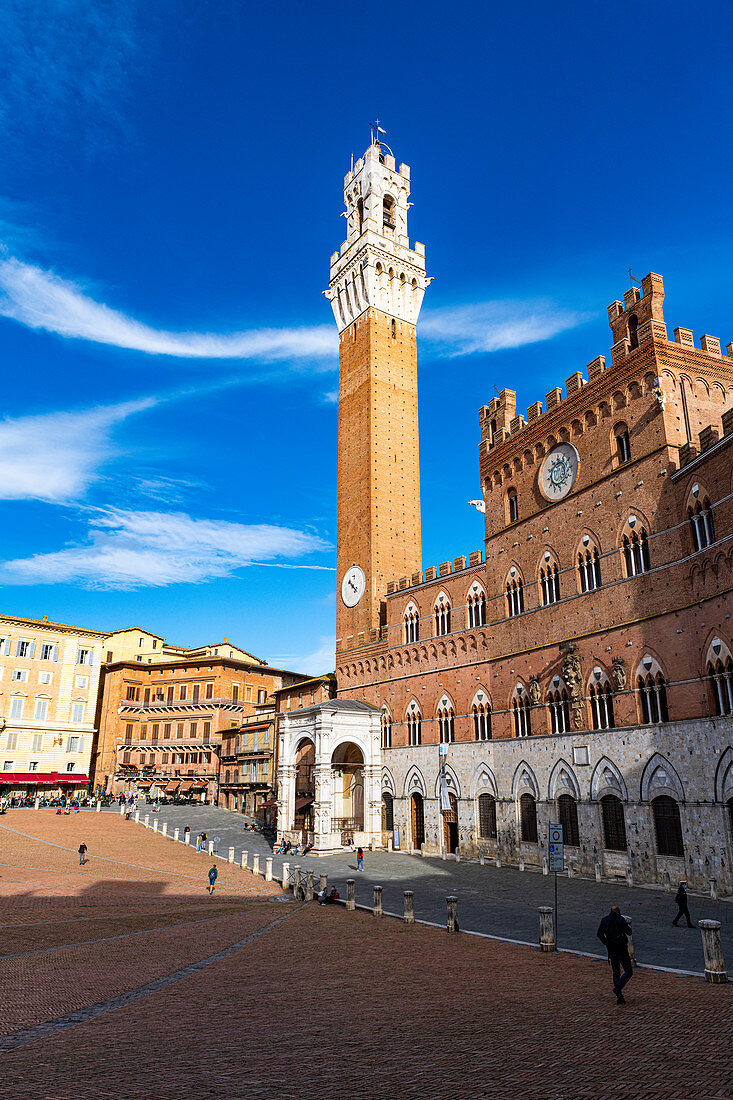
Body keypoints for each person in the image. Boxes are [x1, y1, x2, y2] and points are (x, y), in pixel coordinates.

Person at [597, 905, 633, 1004]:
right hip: (621, 948)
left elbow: (599, 934)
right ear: (618, 912)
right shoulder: (620, 919)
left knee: (616, 971)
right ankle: (618, 988)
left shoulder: (604, 920)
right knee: (628, 971)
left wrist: (606, 942)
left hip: (611, 949)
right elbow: (629, 932)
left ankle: (619, 995)